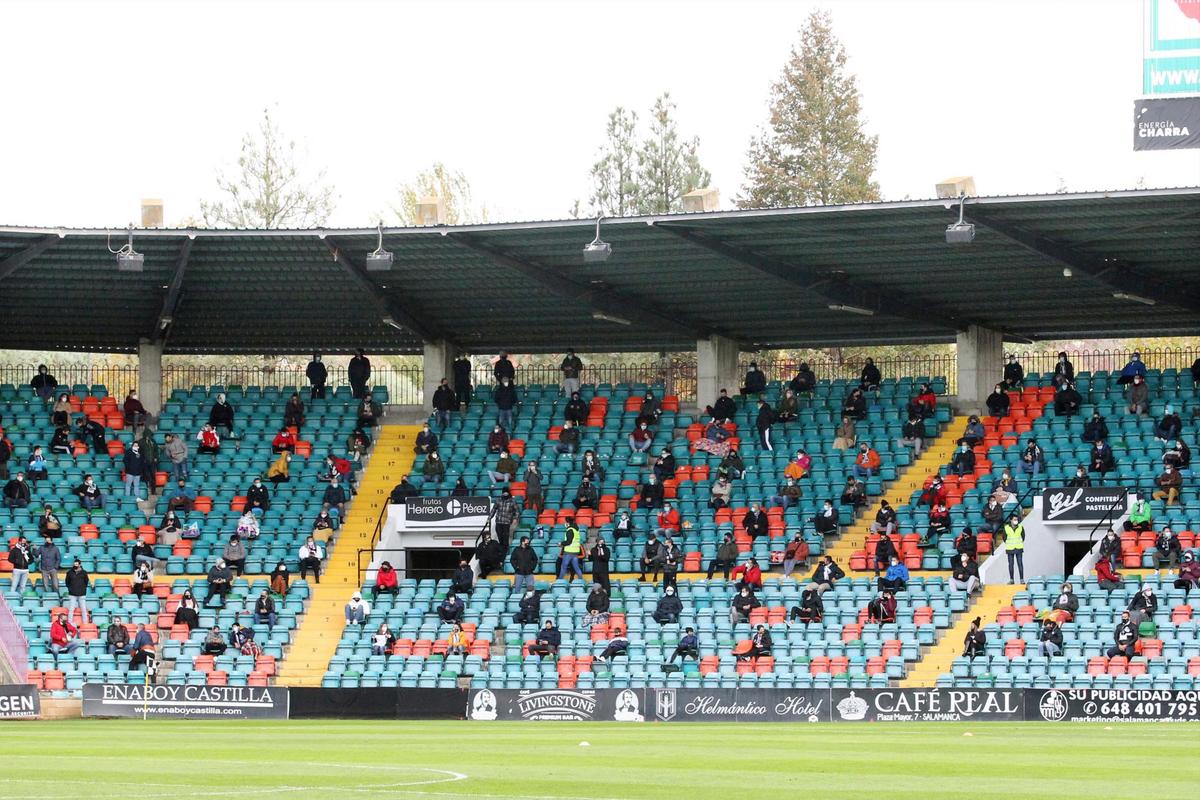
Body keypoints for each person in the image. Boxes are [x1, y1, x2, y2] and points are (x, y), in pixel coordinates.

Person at [64, 559, 90, 624]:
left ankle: (85, 624)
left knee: (83, 610)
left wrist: (83, 588)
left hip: (82, 594)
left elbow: (86, 582)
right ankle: (69, 623)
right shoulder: (69, 572)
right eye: (74, 564)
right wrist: (70, 589)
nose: (75, 565)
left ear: (79, 564)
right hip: (72, 594)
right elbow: (67, 582)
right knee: (71, 610)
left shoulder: (84, 572)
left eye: (77, 564)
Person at [1002, 514, 1025, 584]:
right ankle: (1011, 579)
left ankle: (1022, 579)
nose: (1016, 521)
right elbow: (1004, 538)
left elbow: (1023, 537)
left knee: (1020, 564)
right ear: (1011, 520)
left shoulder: (1021, 527)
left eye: (1017, 519)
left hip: (1019, 547)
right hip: (1010, 548)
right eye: (1014, 519)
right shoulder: (1006, 528)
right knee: (1011, 564)